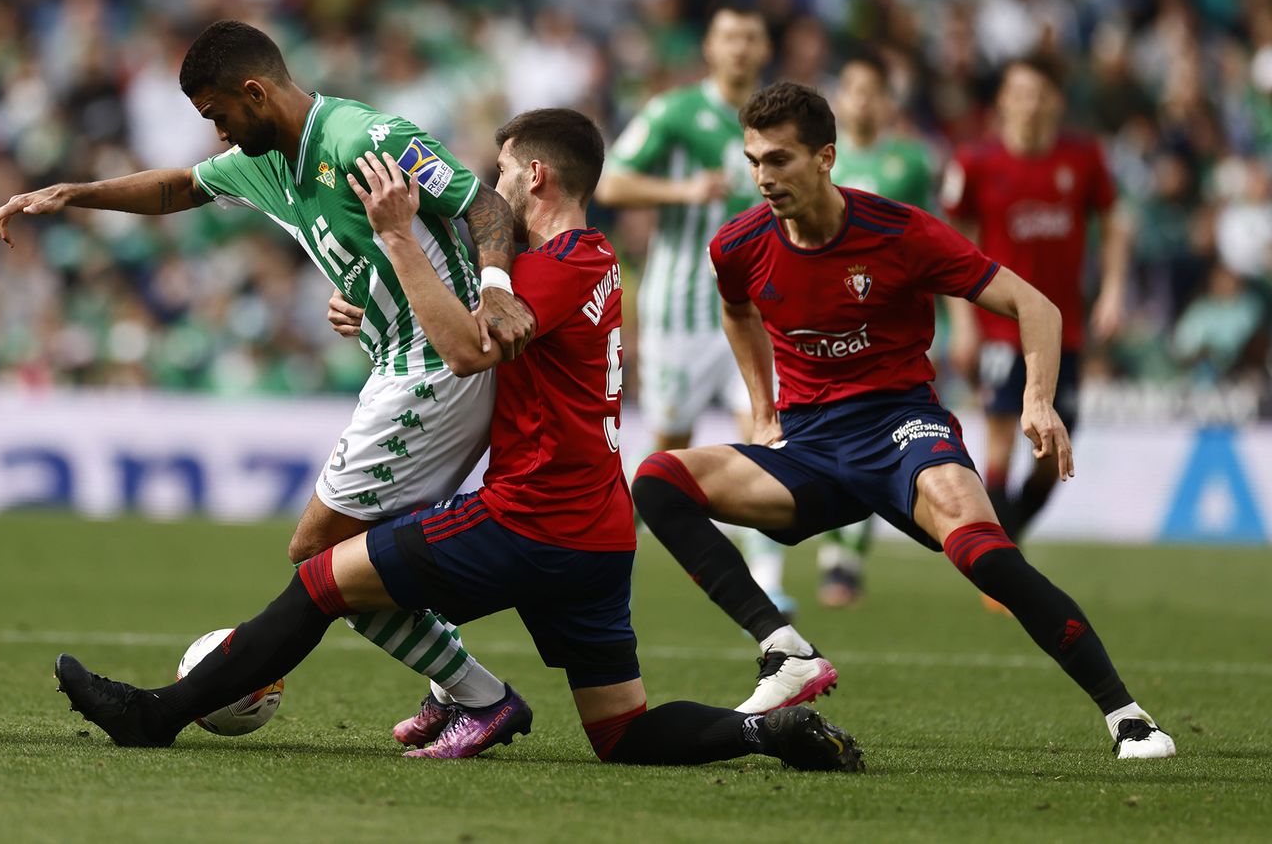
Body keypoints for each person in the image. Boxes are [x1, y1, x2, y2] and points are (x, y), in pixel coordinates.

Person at [52, 108, 865, 771]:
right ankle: (762, 733)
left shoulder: (558, 266)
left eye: (503, 171)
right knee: (623, 733)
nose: (492, 187)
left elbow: (467, 348)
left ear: (535, 177)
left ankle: (159, 715)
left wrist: (400, 237)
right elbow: (462, 321)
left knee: (321, 578)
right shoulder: (593, 260)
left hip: (529, 517)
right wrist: (373, 309)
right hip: (597, 535)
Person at [0, 19, 533, 737]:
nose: (214, 133)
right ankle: (466, 689)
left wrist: (494, 287)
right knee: (358, 559)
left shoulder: (363, 138)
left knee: (320, 553)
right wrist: (74, 193)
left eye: (216, 114)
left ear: (254, 92)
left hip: (438, 367)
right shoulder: (266, 158)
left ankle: (475, 693)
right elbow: (177, 189)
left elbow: (483, 204)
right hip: (396, 363)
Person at [631, 81, 1174, 760]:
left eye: (780, 160)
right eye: (755, 161)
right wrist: (763, 403)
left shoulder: (899, 231)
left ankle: (1128, 717)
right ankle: (784, 649)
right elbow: (737, 311)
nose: (764, 177)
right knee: (657, 480)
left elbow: (1037, 307)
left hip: (900, 430)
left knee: (985, 553)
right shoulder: (738, 244)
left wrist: (1038, 399)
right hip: (808, 449)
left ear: (825, 158)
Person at [596, 1, 794, 616]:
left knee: (766, 430)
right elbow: (611, 182)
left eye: (751, 36)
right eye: (729, 36)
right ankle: (612, 567)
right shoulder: (675, 112)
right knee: (670, 448)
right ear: (709, 47)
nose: (739, 47)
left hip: (758, 309)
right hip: (683, 308)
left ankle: (765, 579)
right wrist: (684, 190)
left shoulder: (783, 121)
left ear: (764, 49)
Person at [940, 57, 1130, 550]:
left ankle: (1008, 537)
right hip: (1000, 324)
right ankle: (1001, 564)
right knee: (1002, 431)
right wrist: (962, 322)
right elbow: (952, 243)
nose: (1030, 103)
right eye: (1019, 92)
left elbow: (1114, 225)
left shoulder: (1084, 158)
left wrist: (1112, 290)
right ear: (1003, 100)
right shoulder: (975, 161)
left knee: (1052, 453)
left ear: (1057, 101)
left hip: (1064, 328)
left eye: (1040, 93)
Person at [814, 52, 937, 608]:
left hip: (885, 319)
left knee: (873, 434)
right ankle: (834, 548)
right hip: (819, 320)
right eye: (853, 87)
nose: (861, 99)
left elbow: (930, 241)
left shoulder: (910, 162)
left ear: (887, 100)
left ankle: (845, 559)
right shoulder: (820, 162)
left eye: (872, 90)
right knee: (824, 432)